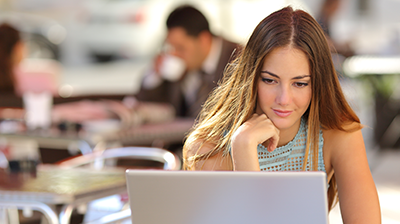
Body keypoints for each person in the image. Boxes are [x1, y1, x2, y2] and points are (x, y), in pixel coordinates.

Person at [183, 6, 381, 223]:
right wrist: (243, 148)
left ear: (317, 84)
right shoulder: (208, 149)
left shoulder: (339, 136)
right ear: (251, 78)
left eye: (300, 83)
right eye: (270, 80)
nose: (284, 99)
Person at [135, 5, 240, 118]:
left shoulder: (241, 60)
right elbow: (146, 104)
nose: (174, 54)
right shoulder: (180, 67)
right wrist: (155, 74)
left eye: (180, 48)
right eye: (171, 47)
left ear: (204, 40)